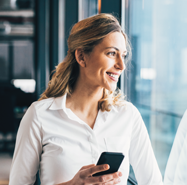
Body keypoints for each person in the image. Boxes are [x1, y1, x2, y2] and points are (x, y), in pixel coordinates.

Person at [9, 13, 163, 185]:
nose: (121, 65)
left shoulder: (128, 115)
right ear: (81, 57)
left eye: (123, 55)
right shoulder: (39, 115)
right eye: (112, 53)